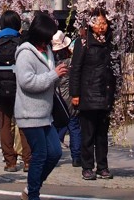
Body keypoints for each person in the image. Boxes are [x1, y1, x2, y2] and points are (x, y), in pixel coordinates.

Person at [15, 12, 70, 200]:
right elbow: (26, 82)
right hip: (29, 113)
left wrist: (57, 76)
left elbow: (47, 80)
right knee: (39, 154)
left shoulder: (47, 52)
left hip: (45, 114)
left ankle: (32, 187)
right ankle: (33, 194)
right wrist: (53, 75)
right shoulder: (25, 53)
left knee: (54, 153)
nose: (48, 42)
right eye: (47, 37)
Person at [69, 8, 119, 181]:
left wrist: (115, 91)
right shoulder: (83, 42)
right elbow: (75, 69)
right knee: (88, 133)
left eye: (104, 23)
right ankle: (87, 167)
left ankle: (103, 167)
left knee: (102, 134)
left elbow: (116, 69)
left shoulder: (111, 42)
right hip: (88, 93)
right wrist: (75, 93)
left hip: (105, 93)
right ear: (90, 24)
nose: (102, 26)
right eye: (99, 23)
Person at [0, 10, 33, 172]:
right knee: (23, 123)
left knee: (4, 123)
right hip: (20, 86)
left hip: (1, 87)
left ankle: (10, 161)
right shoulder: (22, 41)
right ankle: (28, 161)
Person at [52, 29, 81, 166]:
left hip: (58, 97)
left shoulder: (53, 62)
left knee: (59, 125)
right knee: (74, 126)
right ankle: (76, 157)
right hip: (71, 95)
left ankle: (55, 152)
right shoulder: (71, 61)